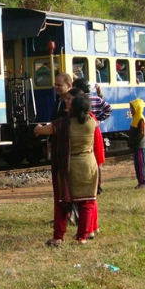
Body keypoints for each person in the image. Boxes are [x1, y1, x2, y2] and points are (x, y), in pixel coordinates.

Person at [34, 92, 98, 246]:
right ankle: (83, 237)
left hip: (68, 167)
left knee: (63, 202)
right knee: (87, 202)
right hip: (89, 165)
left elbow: (41, 130)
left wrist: (38, 127)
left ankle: (58, 237)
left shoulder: (63, 123)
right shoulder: (92, 123)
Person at [129, 98, 145, 189]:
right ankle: (142, 182)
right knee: (137, 165)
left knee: (140, 165)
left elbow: (142, 133)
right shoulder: (136, 118)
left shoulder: (140, 118)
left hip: (140, 146)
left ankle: (143, 183)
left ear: (137, 108)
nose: (131, 110)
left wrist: (135, 142)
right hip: (137, 145)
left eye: (132, 108)